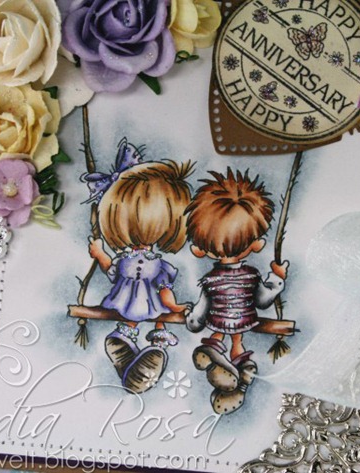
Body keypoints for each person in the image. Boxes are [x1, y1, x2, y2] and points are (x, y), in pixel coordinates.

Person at [87, 139, 193, 393]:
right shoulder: (154, 265)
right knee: (157, 320)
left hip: (127, 305)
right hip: (148, 306)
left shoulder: (135, 262)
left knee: (145, 321)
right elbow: (164, 290)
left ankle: (134, 343)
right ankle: (146, 349)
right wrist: (174, 307)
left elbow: (112, 271)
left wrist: (100, 254)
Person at [185, 168, 289, 414]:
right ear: (256, 244)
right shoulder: (252, 276)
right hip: (243, 320)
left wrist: (191, 321)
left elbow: (201, 312)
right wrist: (277, 279)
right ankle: (242, 369)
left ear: (200, 249)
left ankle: (214, 350)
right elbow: (263, 301)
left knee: (218, 333)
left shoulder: (211, 280)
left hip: (218, 321)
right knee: (237, 341)